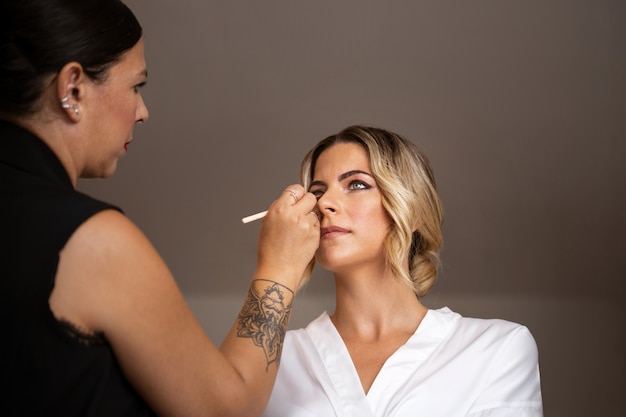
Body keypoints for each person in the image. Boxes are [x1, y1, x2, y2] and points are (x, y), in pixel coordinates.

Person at [0, 1, 320, 416]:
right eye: (136, 87)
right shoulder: (90, 241)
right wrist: (279, 267)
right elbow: (227, 411)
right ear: (73, 87)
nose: (143, 112)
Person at [263, 125, 543, 417]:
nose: (324, 203)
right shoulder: (272, 363)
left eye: (357, 184)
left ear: (413, 211)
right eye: (317, 191)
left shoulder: (496, 349)